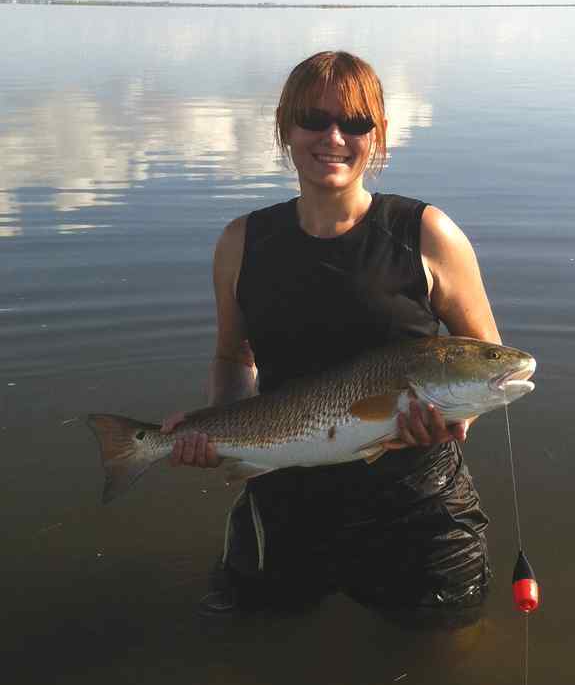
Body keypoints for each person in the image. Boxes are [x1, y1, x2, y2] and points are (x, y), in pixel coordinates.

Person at [162, 51, 501, 620]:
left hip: (417, 505)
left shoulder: (428, 234)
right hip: (286, 498)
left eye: (356, 122)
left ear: (380, 134)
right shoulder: (241, 242)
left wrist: (455, 418)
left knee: (448, 664)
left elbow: (485, 361)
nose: (334, 137)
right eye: (314, 120)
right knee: (257, 656)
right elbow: (233, 355)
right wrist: (214, 427)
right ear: (284, 127)